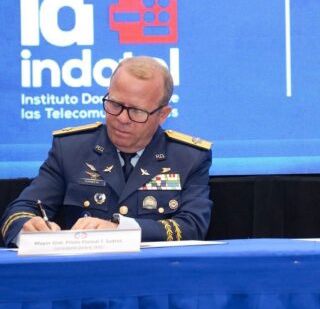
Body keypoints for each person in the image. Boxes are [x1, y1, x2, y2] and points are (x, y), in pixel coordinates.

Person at [1, 56, 213, 246]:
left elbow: (192, 227)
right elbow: (20, 211)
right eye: (115, 104)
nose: (122, 118)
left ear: (163, 114)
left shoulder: (188, 158)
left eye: (137, 111)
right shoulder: (71, 149)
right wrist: (28, 227)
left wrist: (120, 229)